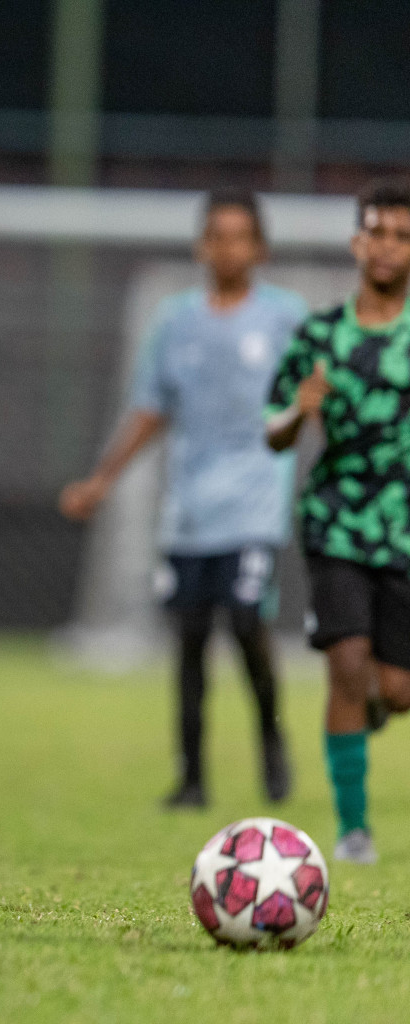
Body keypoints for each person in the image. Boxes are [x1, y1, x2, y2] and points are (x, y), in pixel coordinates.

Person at [60, 190, 307, 809]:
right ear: (202, 245)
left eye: (239, 236)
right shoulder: (175, 320)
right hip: (190, 510)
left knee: (248, 624)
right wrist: (102, 478)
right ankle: (193, 778)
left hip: (254, 505)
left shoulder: (285, 317)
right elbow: (151, 407)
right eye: (216, 235)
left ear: (259, 248)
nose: (227, 247)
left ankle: (271, 745)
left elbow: (317, 393)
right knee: (191, 639)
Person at [266, 178, 410, 865]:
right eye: (377, 231)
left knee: (397, 690)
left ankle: (382, 700)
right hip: (338, 523)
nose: (387, 246)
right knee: (346, 666)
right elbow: (273, 429)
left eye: (401, 235)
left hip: (405, 531)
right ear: (357, 240)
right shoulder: (320, 333)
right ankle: (353, 831)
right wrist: (299, 410)